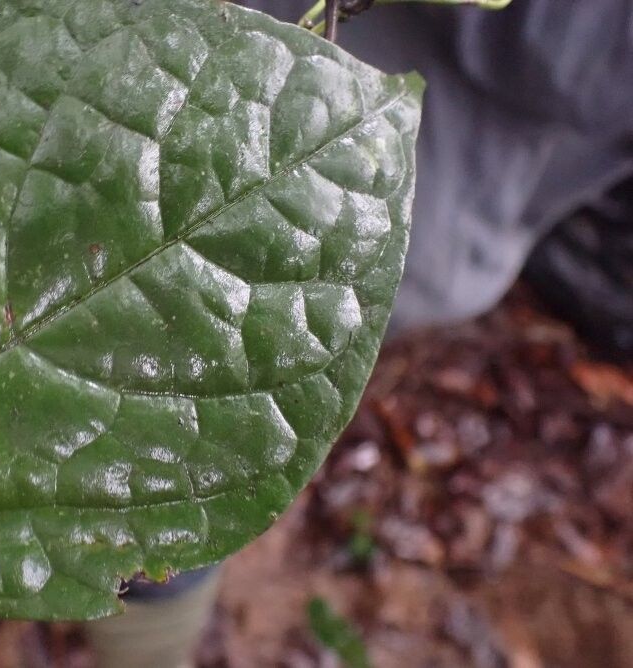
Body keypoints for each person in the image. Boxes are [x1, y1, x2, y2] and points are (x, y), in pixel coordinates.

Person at [84, 1, 633, 665]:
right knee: (162, 412)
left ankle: (147, 627)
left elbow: (563, 62)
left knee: (189, 439)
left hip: (392, 199)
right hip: (285, 133)